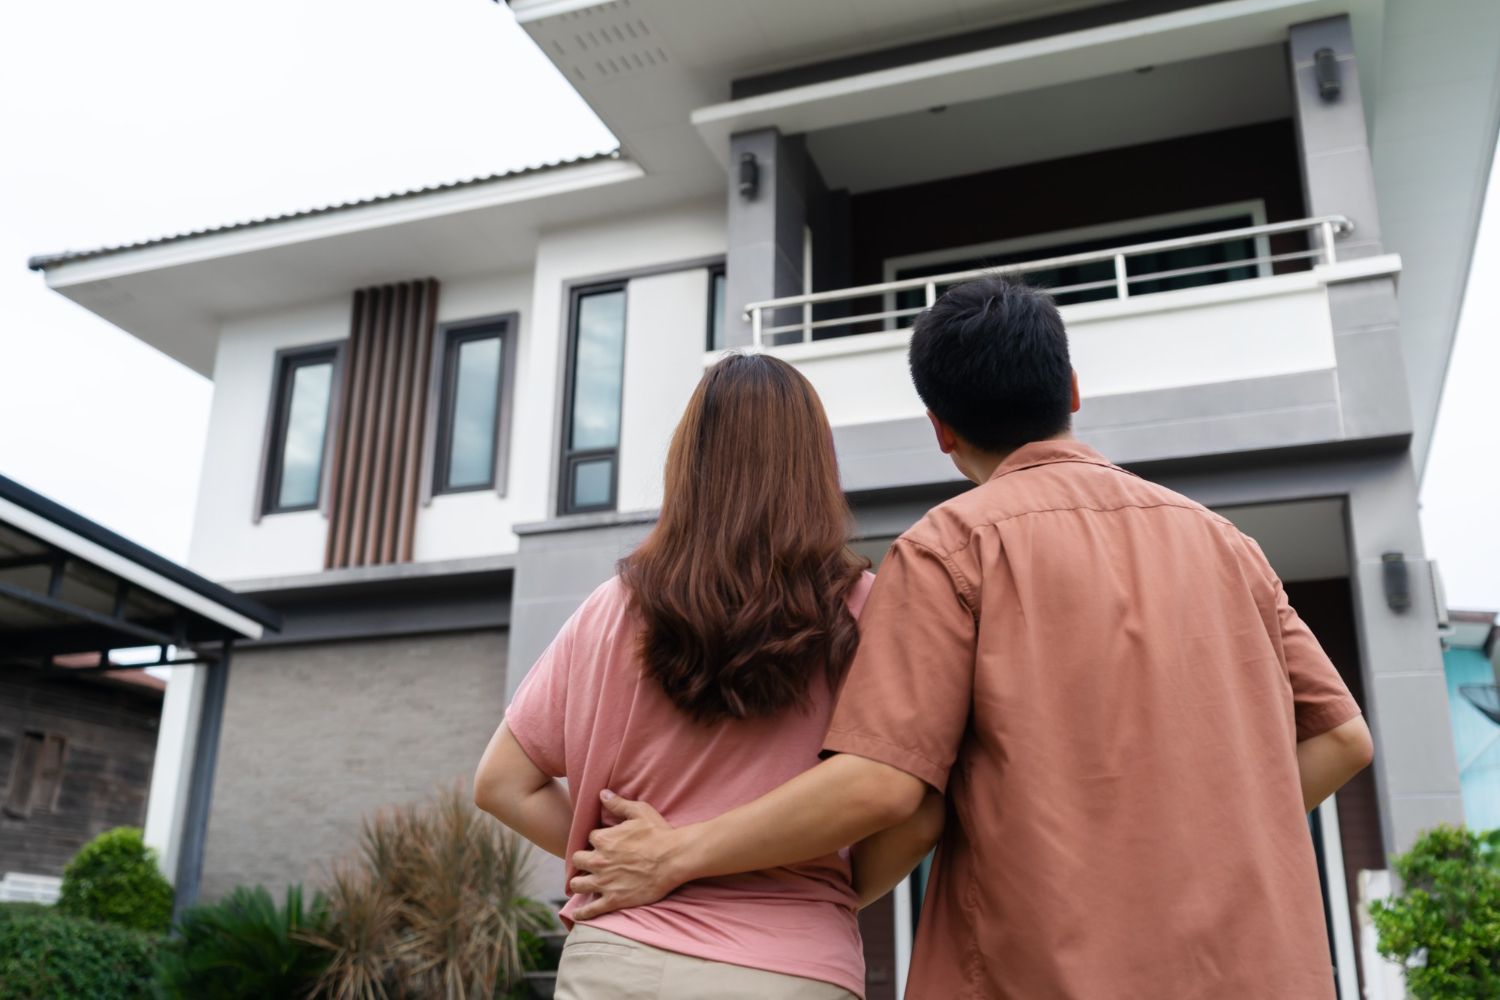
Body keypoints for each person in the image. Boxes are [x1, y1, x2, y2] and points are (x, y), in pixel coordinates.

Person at [565, 276, 1376, 999]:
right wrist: (1197, 829)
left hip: (1041, 964)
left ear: (940, 428)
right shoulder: (1227, 544)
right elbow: (1342, 739)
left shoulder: (950, 549)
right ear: (1072, 389)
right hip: (1253, 966)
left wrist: (680, 856)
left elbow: (882, 784)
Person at [473, 353, 944, 1000]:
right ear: (815, 466)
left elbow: (501, 782)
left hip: (618, 962)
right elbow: (917, 813)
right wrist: (827, 887)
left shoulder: (610, 611)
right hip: (791, 965)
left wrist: (620, 865)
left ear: (687, 463)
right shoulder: (868, 611)